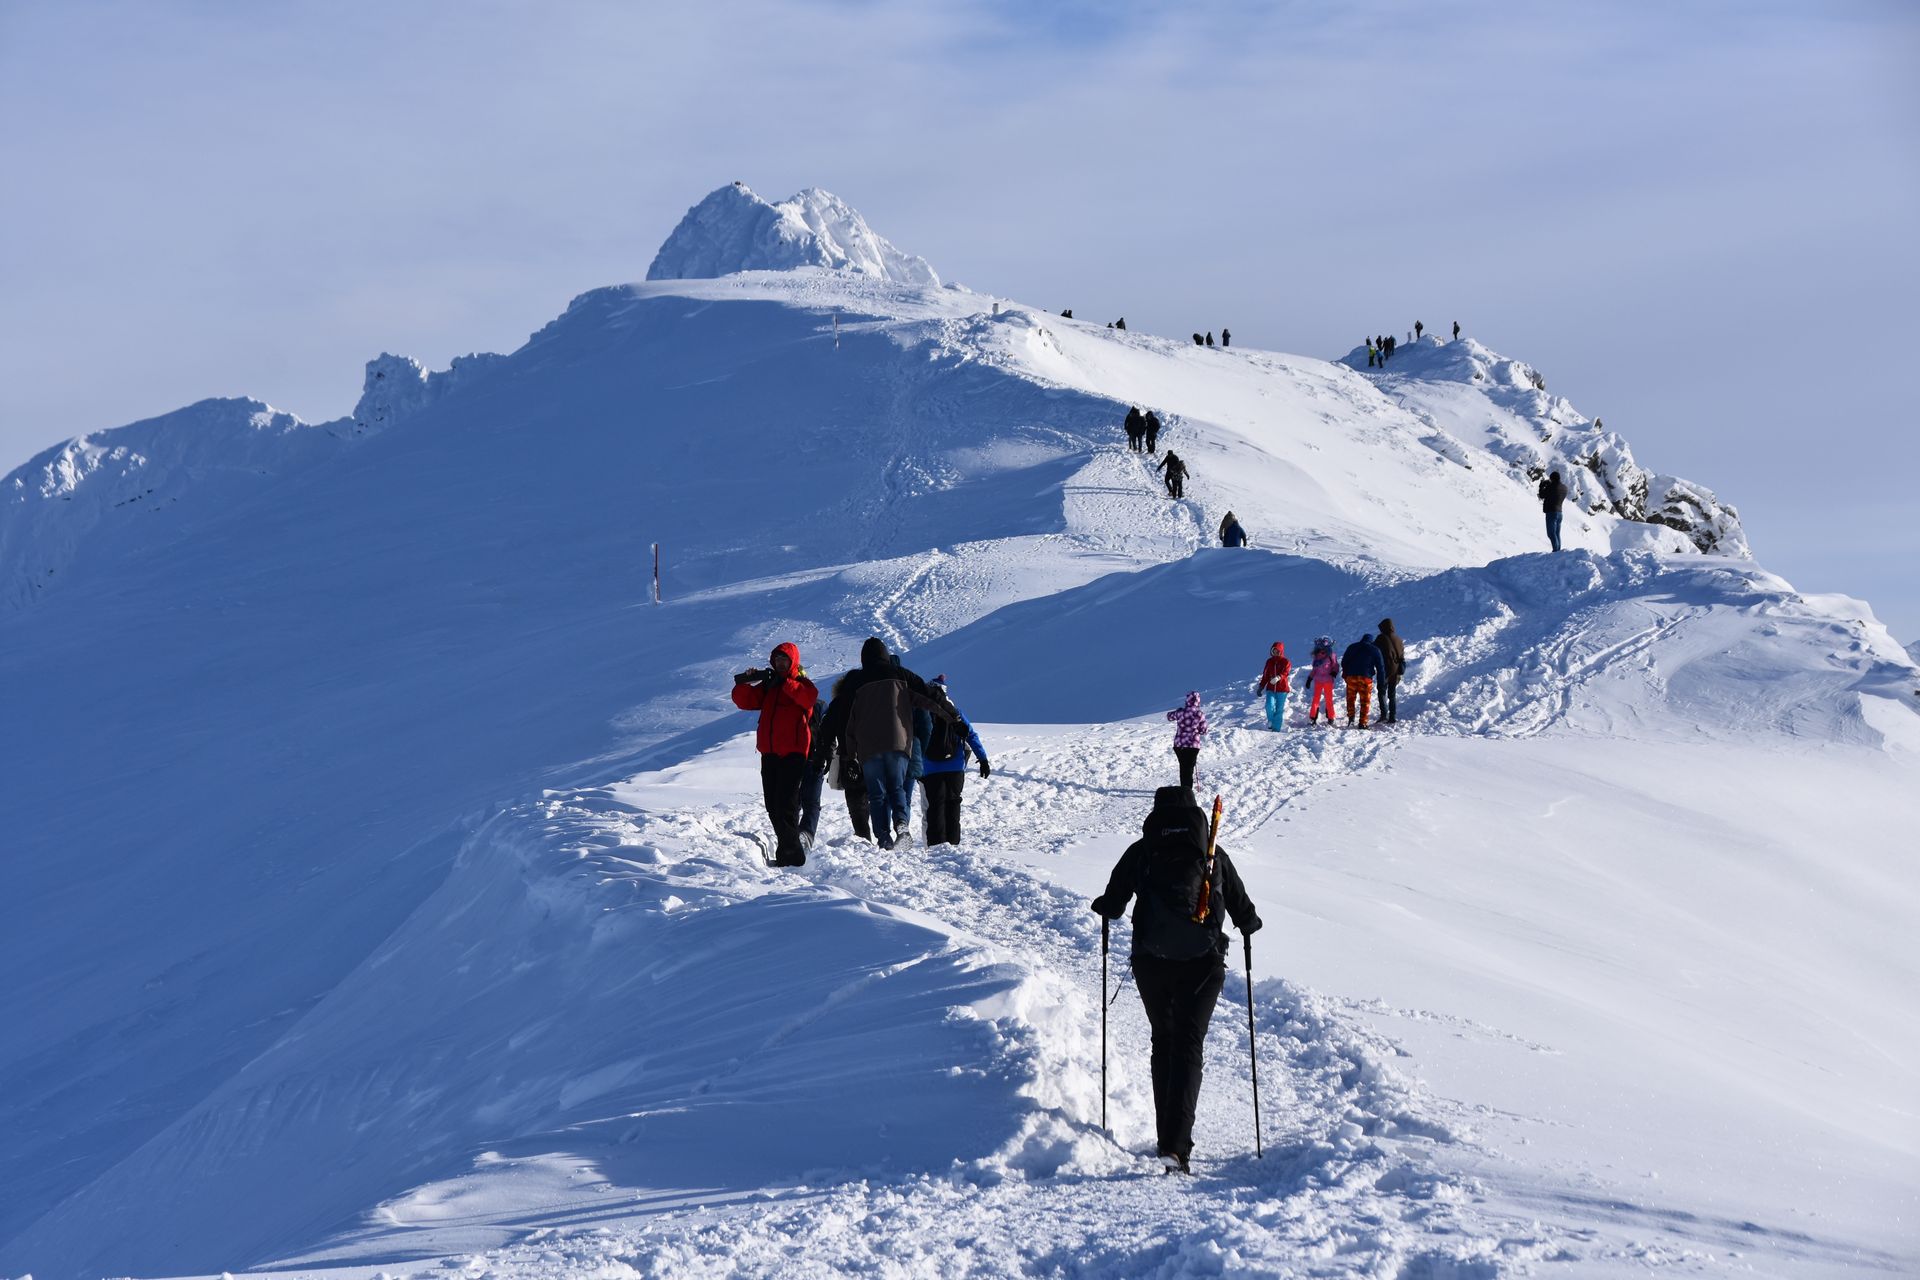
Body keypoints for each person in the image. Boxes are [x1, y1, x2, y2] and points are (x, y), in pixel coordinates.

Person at [1090, 786, 1262, 1174]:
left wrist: (1105, 905)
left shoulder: (1142, 851)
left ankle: (1165, 1137)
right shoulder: (1212, 854)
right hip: (1203, 962)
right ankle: (1175, 1145)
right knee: (1188, 1043)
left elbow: (1113, 906)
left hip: (1152, 962)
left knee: (1163, 1041)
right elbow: (1245, 914)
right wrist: (1249, 924)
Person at [814, 637, 954, 850]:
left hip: (869, 748)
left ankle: (883, 839)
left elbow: (845, 720)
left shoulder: (856, 683)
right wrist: (954, 718)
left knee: (877, 794)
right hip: (899, 745)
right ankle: (901, 824)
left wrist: (848, 753)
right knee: (897, 787)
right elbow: (929, 702)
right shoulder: (902, 676)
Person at [732, 642, 819, 865]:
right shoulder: (769, 686)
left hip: (794, 753)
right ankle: (788, 847)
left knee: (787, 804)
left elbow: (807, 700)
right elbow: (744, 700)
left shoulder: (803, 684)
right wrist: (745, 681)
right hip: (769, 752)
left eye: (784, 660)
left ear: (793, 662)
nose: (780, 664)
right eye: (777, 660)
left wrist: (785, 682)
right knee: (772, 804)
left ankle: (792, 854)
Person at [918, 675, 990, 846]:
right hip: (955, 767)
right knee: (953, 804)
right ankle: (954, 843)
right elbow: (971, 735)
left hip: (930, 768)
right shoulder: (955, 712)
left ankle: (936, 846)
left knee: (935, 806)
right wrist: (983, 759)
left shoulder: (923, 713)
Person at [823, 673, 871, 840]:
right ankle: (883, 836)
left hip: (848, 759)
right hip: (873, 758)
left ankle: (863, 837)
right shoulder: (871, 700)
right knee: (877, 798)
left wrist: (823, 756)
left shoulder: (838, 702)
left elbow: (826, 731)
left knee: (856, 803)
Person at [1166, 691, 1208, 791]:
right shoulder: (1200, 714)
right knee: (1189, 768)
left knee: (1183, 767)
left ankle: (1184, 789)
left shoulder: (1180, 712)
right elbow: (1204, 731)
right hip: (1193, 745)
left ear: (1187, 700)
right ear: (1198, 701)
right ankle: (1187, 791)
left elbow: (1169, 716)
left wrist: (1178, 711)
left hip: (1179, 744)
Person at [1341, 634, 1382, 728]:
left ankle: (1351, 718)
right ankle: (1362, 723)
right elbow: (1380, 667)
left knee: (1350, 698)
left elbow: (1344, 662)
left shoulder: (1352, 647)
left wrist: (1346, 674)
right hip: (1366, 678)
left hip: (1351, 677)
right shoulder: (1374, 649)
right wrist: (1381, 680)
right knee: (1365, 701)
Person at [1375, 618, 1405, 725]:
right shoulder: (1399, 639)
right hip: (1396, 670)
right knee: (1392, 694)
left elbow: (1374, 650)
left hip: (1385, 670)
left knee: (1382, 692)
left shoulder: (1381, 638)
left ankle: (1384, 714)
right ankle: (1392, 716)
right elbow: (1401, 655)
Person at [1258, 641, 1291, 730]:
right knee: (1269, 705)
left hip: (1282, 689)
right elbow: (1265, 675)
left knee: (1279, 709)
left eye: (1277, 650)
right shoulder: (1269, 662)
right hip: (1271, 688)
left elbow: (1286, 672)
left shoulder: (1286, 661)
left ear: (1281, 651)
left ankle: (1276, 730)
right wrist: (1261, 687)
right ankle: (1271, 721)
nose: (1275, 652)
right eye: (1274, 650)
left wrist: (1278, 677)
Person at [1306, 636, 1340, 725]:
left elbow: (1336, 666)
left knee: (1328, 699)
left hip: (1328, 681)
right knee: (1316, 699)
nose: (1322, 649)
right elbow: (1314, 670)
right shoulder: (1317, 657)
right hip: (1318, 681)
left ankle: (1330, 718)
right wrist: (1309, 679)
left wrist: (1334, 672)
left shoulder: (1331, 656)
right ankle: (1313, 718)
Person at [1538, 469, 1569, 552]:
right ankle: (1558, 551)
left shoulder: (1551, 487)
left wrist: (1541, 486)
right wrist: (1549, 485)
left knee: (1551, 533)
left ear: (1552, 479)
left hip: (1551, 513)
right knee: (1557, 533)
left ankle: (1556, 551)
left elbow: (1541, 495)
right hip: (1560, 513)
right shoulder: (1565, 488)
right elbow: (1555, 492)